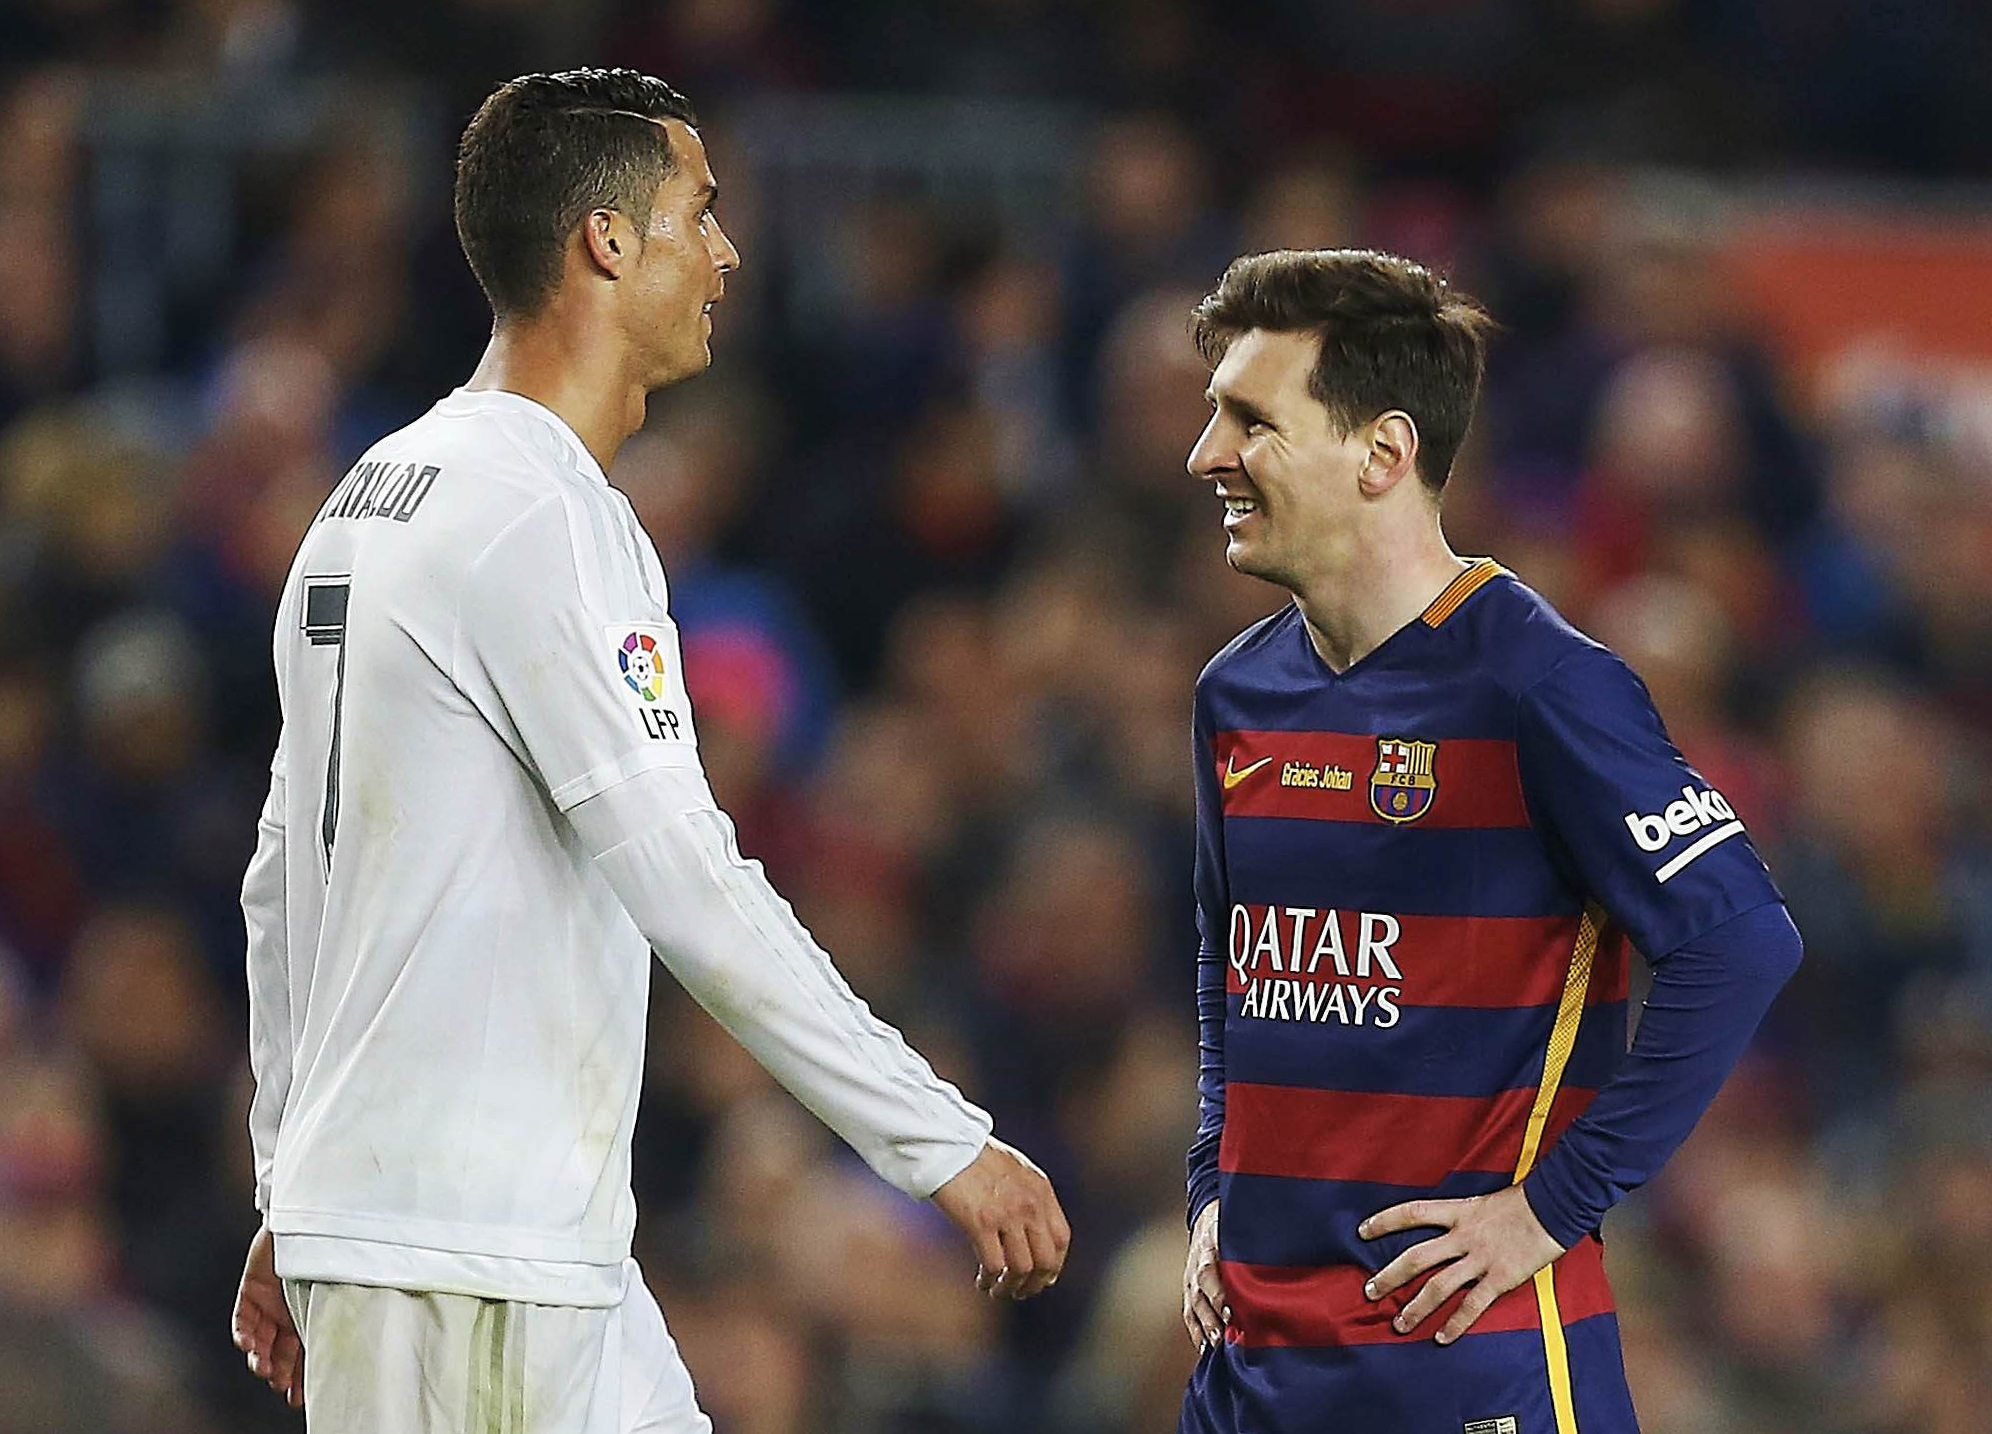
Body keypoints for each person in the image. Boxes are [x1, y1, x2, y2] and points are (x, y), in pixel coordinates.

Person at [228, 69, 1069, 1434]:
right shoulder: (545, 518)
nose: (726, 252)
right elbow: (685, 870)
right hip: (475, 1251)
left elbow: (284, 881)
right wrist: (940, 1140)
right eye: (703, 211)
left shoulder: (366, 497)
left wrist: (298, 1187)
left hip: (489, 1233)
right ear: (608, 243)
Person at [1175, 249, 1801, 1434]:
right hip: (1255, 1367)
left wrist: (1549, 1212)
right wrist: (1212, 1188)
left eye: (1250, 420)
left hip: (1471, 1366)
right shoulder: (1235, 694)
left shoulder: (1542, 686)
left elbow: (1743, 943)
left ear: (1383, 453)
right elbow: (1231, 967)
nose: (1205, 455)